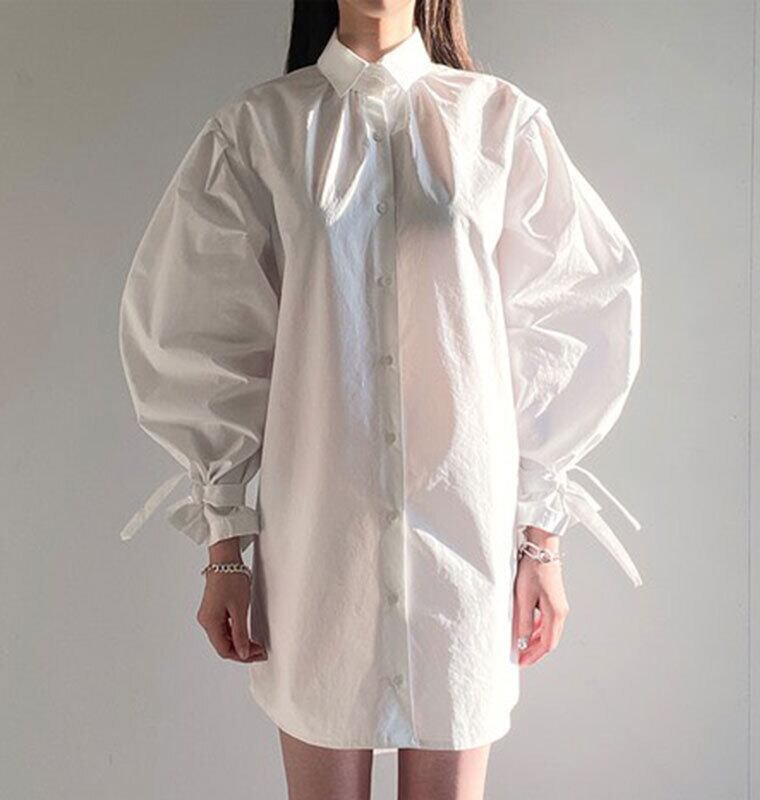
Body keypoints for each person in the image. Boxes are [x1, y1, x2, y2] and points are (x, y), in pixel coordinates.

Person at [116, 1, 643, 798]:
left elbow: (570, 317)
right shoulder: (258, 130)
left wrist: (542, 540)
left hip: (464, 542)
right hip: (319, 545)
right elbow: (202, 331)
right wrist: (225, 543)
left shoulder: (500, 124)